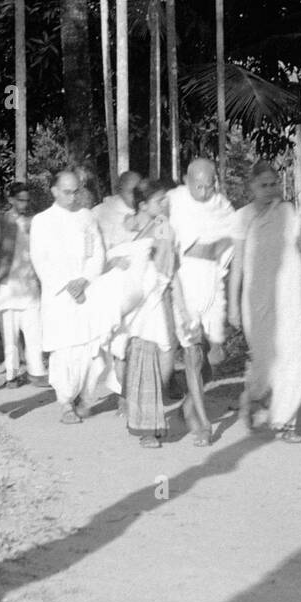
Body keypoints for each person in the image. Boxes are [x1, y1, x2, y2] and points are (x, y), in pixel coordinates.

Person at [30, 169, 119, 423]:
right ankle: (65, 403)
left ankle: (86, 397)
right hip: (59, 297)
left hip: (88, 291)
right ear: (54, 191)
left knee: (91, 350)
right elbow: (40, 260)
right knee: (65, 351)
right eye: (67, 192)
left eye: (76, 191)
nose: (72, 197)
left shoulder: (87, 217)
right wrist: (67, 285)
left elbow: (97, 254)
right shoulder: (42, 221)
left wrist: (85, 280)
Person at [228, 161, 301, 443]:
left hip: (289, 294)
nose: (270, 190)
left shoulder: (288, 212)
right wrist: (232, 304)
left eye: (274, 184)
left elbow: (300, 248)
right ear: (251, 187)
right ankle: (252, 397)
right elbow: (237, 263)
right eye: (263, 185)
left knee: (293, 354)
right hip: (257, 296)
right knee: (264, 360)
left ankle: (285, 420)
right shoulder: (242, 217)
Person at [167, 157, 238, 442]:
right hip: (186, 283)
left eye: (210, 185)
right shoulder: (173, 202)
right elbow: (163, 244)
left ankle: (188, 404)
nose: (206, 191)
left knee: (214, 355)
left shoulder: (224, 207)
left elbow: (233, 242)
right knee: (193, 356)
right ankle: (205, 424)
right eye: (200, 186)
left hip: (214, 281)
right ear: (186, 180)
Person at [117, 178, 183, 448]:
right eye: (159, 200)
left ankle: (146, 413)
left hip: (159, 295)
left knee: (165, 353)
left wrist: (180, 301)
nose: (165, 204)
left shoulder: (163, 227)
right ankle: (147, 426)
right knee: (144, 357)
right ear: (144, 205)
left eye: (166, 199)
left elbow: (170, 267)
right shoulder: (135, 227)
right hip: (139, 299)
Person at [0, 183, 43, 388]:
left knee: (34, 332)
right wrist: (1, 271)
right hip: (7, 287)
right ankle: (12, 374)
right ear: (10, 199)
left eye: (27, 200)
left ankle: (36, 372)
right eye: (20, 200)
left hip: (30, 285)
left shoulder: (35, 222)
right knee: (9, 335)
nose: (24, 204)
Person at [94, 171, 143, 251]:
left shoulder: (149, 207)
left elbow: (163, 235)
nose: (135, 196)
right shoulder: (102, 210)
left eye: (138, 192)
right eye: (130, 192)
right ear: (120, 191)